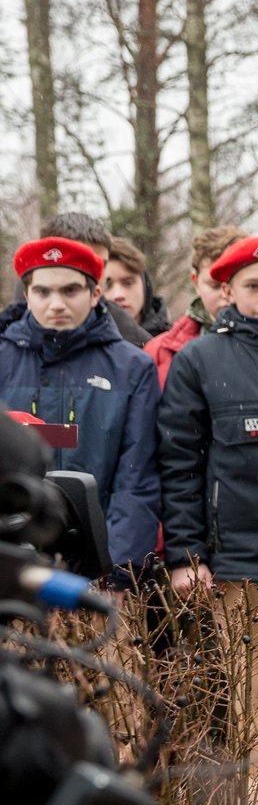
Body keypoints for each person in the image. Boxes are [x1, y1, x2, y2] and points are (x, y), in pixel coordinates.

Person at [156, 234, 258, 805]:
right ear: (225, 290)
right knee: (252, 697)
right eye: (253, 287)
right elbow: (180, 464)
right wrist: (187, 556)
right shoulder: (200, 361)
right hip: (237, 563)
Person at [1, 237, 161, 580]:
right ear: (27, 294)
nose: (56, 303)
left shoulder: (133, 367)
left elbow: (136, 477)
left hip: (100, 570)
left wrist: (122, 568)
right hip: (13, 570)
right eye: (43, 292)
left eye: (70, 290)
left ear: (95, 293)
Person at [9, 212, 152, 347]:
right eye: (82, 264)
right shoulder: (7, 342)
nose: (95, 274)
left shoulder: (132, 340)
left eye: (102, 265)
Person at [146, 225, 246, 387]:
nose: (226, 294)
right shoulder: (159, 352)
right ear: (196, 283)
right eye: (215, 285)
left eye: (234, 284)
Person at [103, 236, 171, 338]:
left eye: (128, 283)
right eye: (106, 285)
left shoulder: (172, 344)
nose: (118, 295)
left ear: (145, 286)